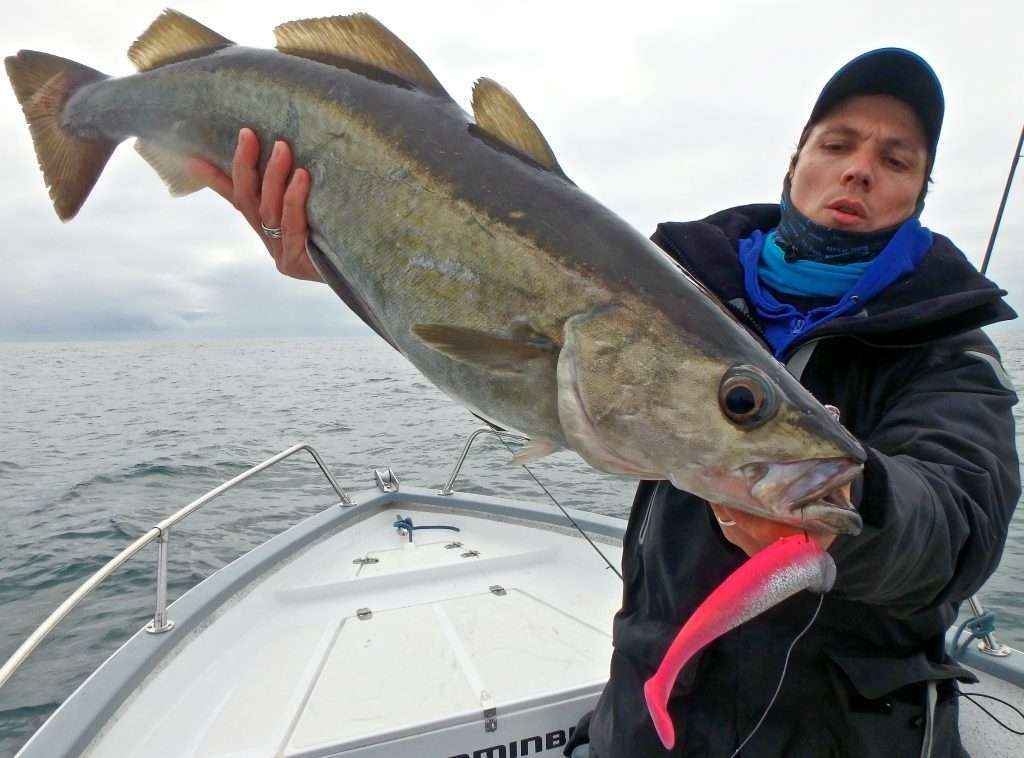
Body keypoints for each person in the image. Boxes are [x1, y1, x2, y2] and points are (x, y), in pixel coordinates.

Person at [190, 48, 1020, 757]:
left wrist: (858, 500)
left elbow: (957, 526)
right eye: (837, 143)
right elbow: (509, 380)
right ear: (795, 160)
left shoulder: (947, 350)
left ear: (918, 192)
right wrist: (344, 263)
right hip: (647, 720)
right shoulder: (685, 291)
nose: (860, 168)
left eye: (897, 158)